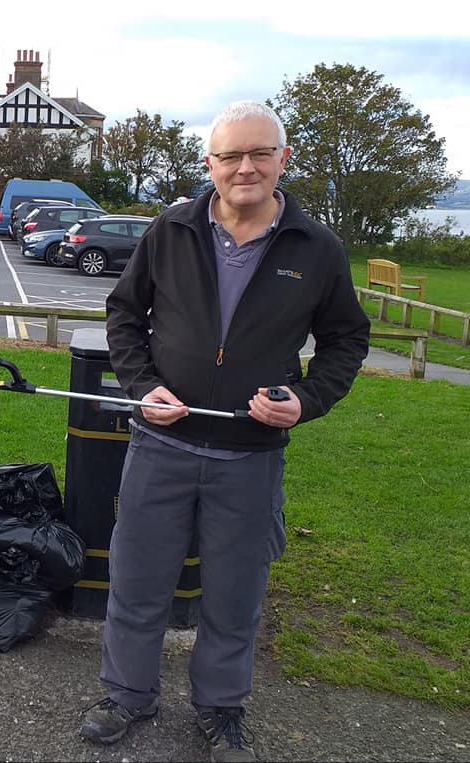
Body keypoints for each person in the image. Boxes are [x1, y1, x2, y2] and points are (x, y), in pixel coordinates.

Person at [80, 101, 370, 760]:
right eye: (231, 155)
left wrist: (306, 400)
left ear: (282, 160)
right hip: (161, 445)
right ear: (209, 163)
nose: (246, 168)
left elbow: (347, 339)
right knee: (138, 581)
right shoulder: (171, 229)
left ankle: (220, 708)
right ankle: (128, 693)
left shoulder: (316, 248)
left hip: (250, 455)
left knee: (235, 595)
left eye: (260, 153)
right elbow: (124, 313)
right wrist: (140, 386)